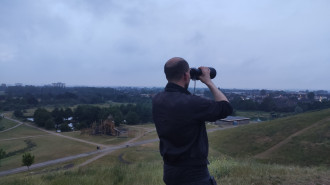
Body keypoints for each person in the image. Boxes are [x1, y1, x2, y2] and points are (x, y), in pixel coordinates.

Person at [152, 57, 233, 185]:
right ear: (186, 75)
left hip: (169, 172)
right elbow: (226, 108)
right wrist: (208, 81)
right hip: (194, 175)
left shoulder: (157, 100)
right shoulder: (193, 103)